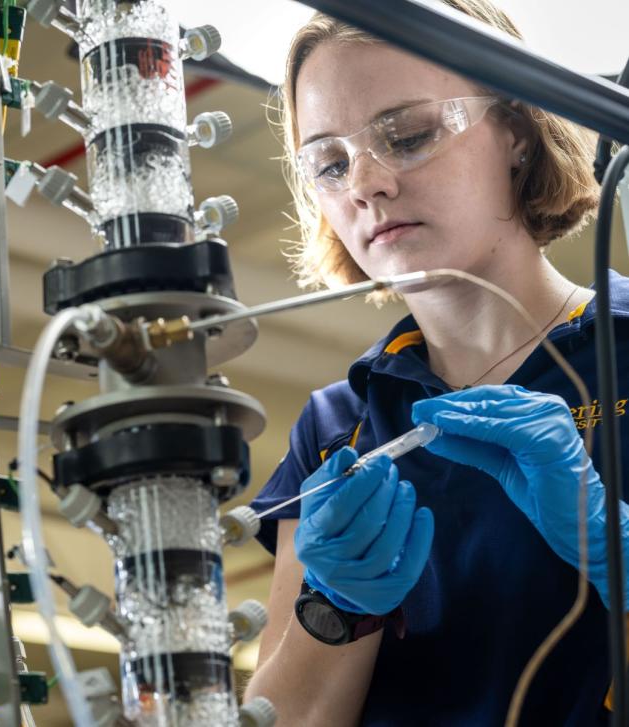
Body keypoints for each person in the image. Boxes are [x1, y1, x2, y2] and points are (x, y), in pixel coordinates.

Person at [244, 1, 629, 724]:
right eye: (330, 162)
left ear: (516, 130)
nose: (366, 183)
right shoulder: (340, 424)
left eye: (409, 135)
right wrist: (334, 611)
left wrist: (620, 554)